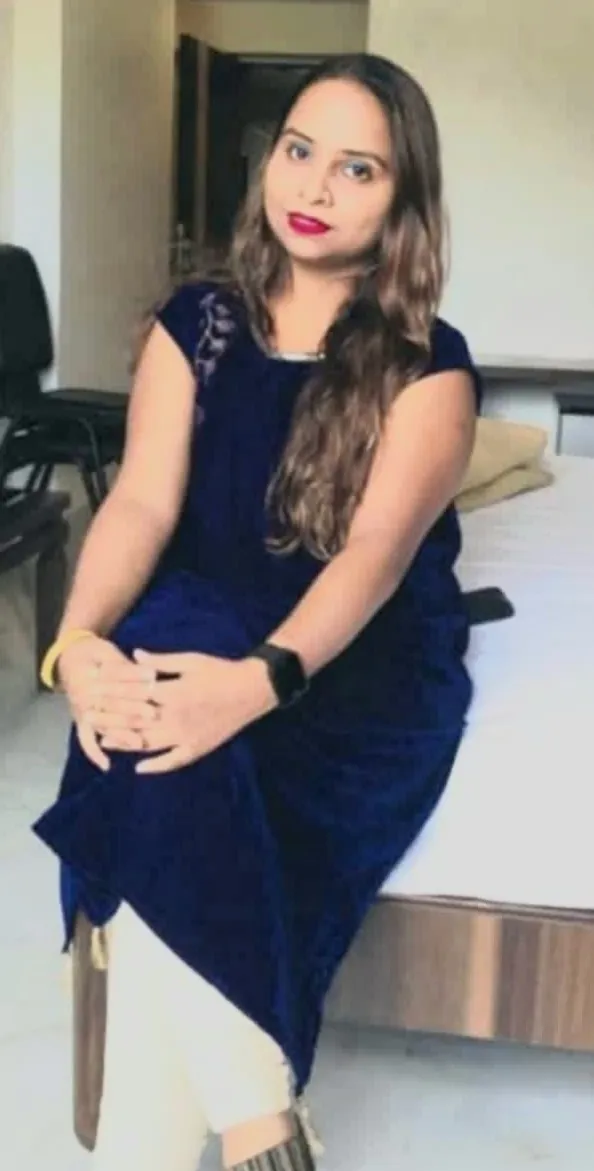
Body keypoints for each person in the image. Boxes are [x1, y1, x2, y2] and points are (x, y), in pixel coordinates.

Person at [34, 52, 481, 1171]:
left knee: (155, 760)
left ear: (404, 202)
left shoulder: (431, 366)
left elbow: (375, 558)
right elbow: (141, 502)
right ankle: (262, 1125)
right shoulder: (199, 324)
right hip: (211, 611)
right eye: (298, 150)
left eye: (358, 168)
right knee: (150, 693)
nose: (315, 186)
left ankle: (193, 1138)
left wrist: (256, 686)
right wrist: (75, 644)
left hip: (353, 664)